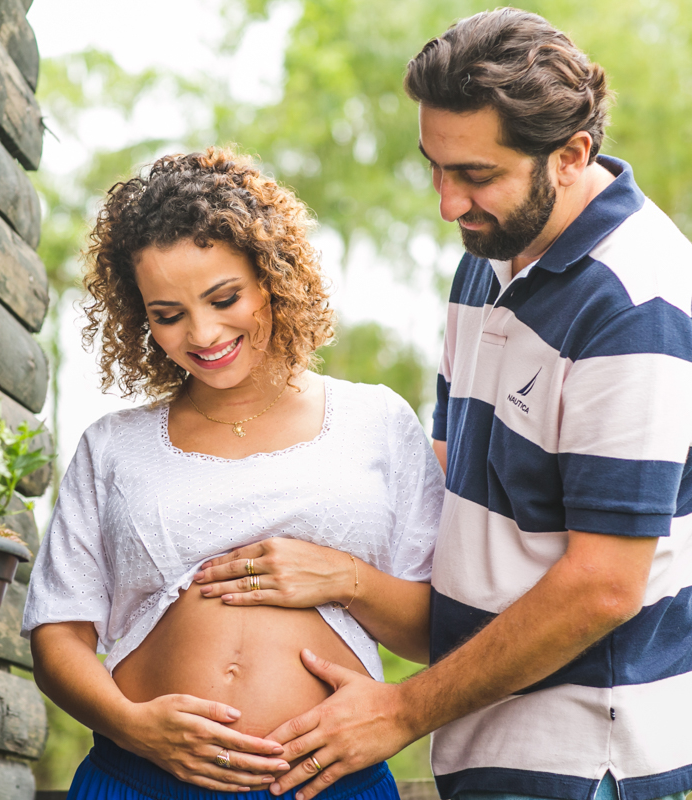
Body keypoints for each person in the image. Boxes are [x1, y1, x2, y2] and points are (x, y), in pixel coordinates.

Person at [264, 10, 692, 800]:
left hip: (580, 761)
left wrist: (400, 712)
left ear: (570, 156)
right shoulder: (492, 254)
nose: (446, 203)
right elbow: (460, 477)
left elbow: (604, 584)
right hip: (480, 739)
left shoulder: (637, 306)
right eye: (434, 166)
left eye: (475, 175)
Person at [21, 146, 445, 800]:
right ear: (141, 319)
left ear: (272, 276)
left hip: (328, 782)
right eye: (168, 315)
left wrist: (345, 578)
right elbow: (58, 631)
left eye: (224, 297)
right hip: (140, 778)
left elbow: (435, 633)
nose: (204, 332)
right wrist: (132, 726)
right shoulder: (113, 448)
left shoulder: (377, 421)